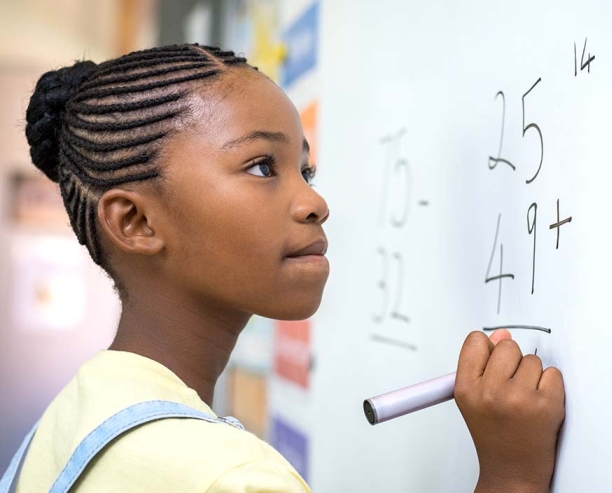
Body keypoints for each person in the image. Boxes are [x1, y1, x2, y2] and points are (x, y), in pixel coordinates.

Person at [1, 44, 565, 493]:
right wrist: (511, 478)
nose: (314, 203)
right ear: (137, 223)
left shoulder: (74, 416)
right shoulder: (228, 479)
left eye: (306, 171)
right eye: (262, 166)